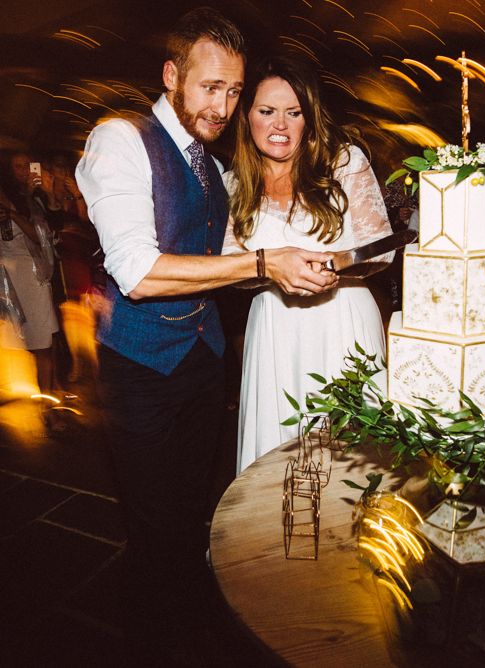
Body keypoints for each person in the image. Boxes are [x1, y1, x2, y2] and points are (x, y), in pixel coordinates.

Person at [74, 8, 337, 655]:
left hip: (201, 358)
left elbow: (212, 257)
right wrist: (261, 264)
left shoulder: (215, 169)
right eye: (208, 86)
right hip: (139, 366)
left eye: (232, 91)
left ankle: (187, 625)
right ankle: (149, 639)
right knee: (153, 522)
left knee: (194, 510)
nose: (222, 106)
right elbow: (136, 271)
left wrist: (287, 266)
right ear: (172, 75)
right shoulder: (120, 140)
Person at [223, 55, 393, 472]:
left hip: (343, 322)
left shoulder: (344, 162)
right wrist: (268, 269)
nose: (279, 125)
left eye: (293, 113)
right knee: (277, 458)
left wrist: (332, 263)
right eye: (267, 112)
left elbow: (383, 248)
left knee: (355, 460)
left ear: (308, 118)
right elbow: (229, 266)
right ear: (248, 117)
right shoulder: (233, 183)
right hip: (275, 331)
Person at [0, 158, 62, 433]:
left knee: (42, 344)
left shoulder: (32, 200)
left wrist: (13, 213)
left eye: (27, 165)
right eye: (17, 166)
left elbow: (41, 237)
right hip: (4, 278)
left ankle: (47, 409)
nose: (24, 171)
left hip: (32, 275)